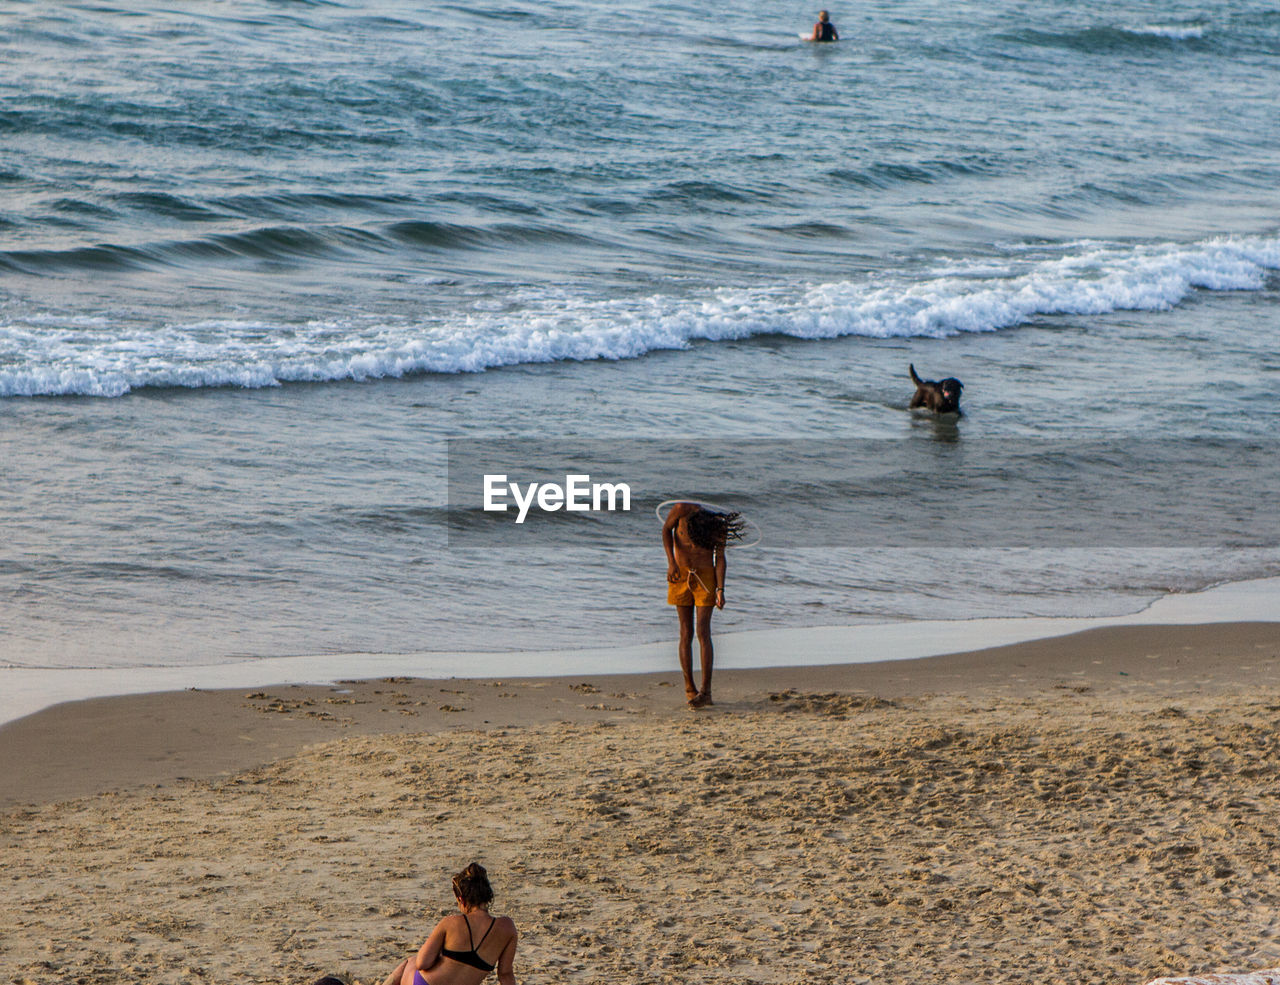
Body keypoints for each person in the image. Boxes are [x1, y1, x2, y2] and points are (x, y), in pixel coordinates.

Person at [662, 502, 745, 708]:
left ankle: (706, 691)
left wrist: (720, 590)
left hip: (706, 578)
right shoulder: (680, 510)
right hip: (680, 574)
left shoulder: (717, 526)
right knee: (685, 632)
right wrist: (671, 562)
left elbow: (720, 559)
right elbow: (665, 530)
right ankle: (690, 688)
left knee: (702, 631)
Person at [382, 863, 518, 985]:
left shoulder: (450, 922)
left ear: (462, 900)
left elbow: (422, 963)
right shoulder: (507, 928)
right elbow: (505, 975)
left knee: (410, 962)